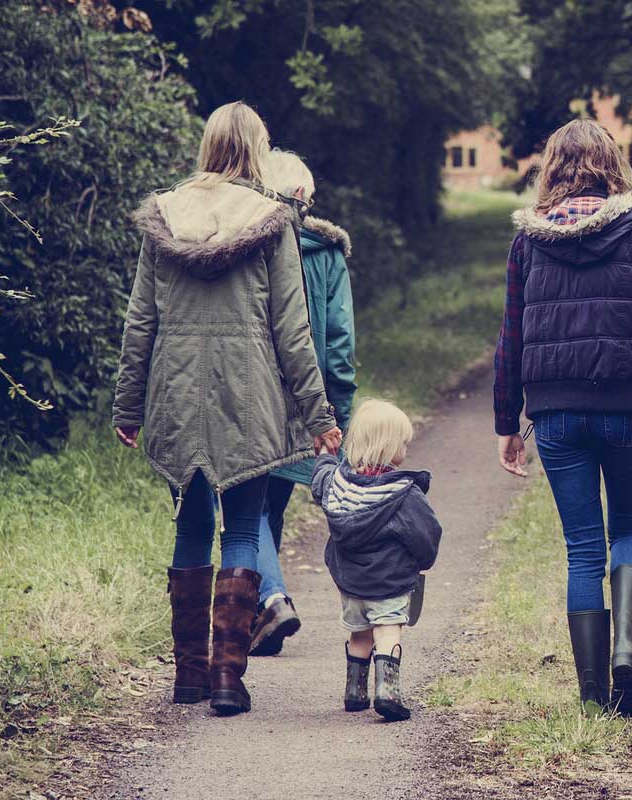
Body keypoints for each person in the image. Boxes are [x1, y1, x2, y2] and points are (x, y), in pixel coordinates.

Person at [112, 101, 342, 716]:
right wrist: (321, 417)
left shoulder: (164, 217)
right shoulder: (273, 221)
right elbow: (292, 331)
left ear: (208, 145)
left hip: (176, 395)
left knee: (190, 524)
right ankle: (224, 678)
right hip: (250, 397)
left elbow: (141, 321)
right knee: (242, 526)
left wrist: (128, 406)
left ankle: (187, 676)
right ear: (256, 153)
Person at [493, 118, 632, 717]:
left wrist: (508, 422)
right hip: (627, 407)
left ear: (551, 169)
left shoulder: (528, 243)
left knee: (581, 548)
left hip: (555, 414)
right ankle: (625, 657)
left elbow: (511, 338)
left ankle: (590, 697)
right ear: (612, 167)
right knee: (629, 531)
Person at [247, 149, 359, 658]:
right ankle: (264, 606)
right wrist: (339, 412)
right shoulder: (327, 253)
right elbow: (338, 344)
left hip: (252, 393)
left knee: (249, 509)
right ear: (296, 196)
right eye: (307, 199)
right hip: (306, 399)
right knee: (268, 504)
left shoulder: (245, 243)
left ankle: (268, 601)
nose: (310, 208)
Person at [310, 398, 441, 722]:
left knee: (359, 634)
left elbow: (320, 481)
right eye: (403, 444)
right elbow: (426, 534)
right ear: (388, 448)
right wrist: (423, 561)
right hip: (390, 582)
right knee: (387, 632)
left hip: (351, 585)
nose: (406, 449)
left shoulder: (339, 486)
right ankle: (388, 692)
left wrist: (326, 456)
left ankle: (355, 692)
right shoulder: (403, 493)